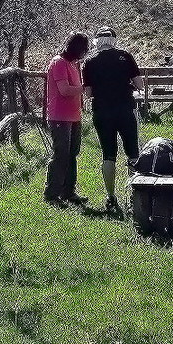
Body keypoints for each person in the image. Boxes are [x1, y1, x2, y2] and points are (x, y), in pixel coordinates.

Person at [81, 25, 144, 214]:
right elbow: (139, 84)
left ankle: (111, 196)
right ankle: (135, 195)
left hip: (102, 110)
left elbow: (88, 92)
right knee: (132, 151)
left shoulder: (89, 62)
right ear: (113, 41)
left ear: (97, 42)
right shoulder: (125, 56)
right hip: (125, 107)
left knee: (108, 154)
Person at [44, 32, 90, 206]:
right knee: (61, 155)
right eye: (83, 49)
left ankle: (69, 192)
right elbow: (64, 90)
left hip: (74, 116)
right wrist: (85, 88)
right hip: (59, 116)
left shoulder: (73, 65)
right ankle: (52, 193)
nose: (84, 53)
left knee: (72, 154)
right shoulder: (59, 63)